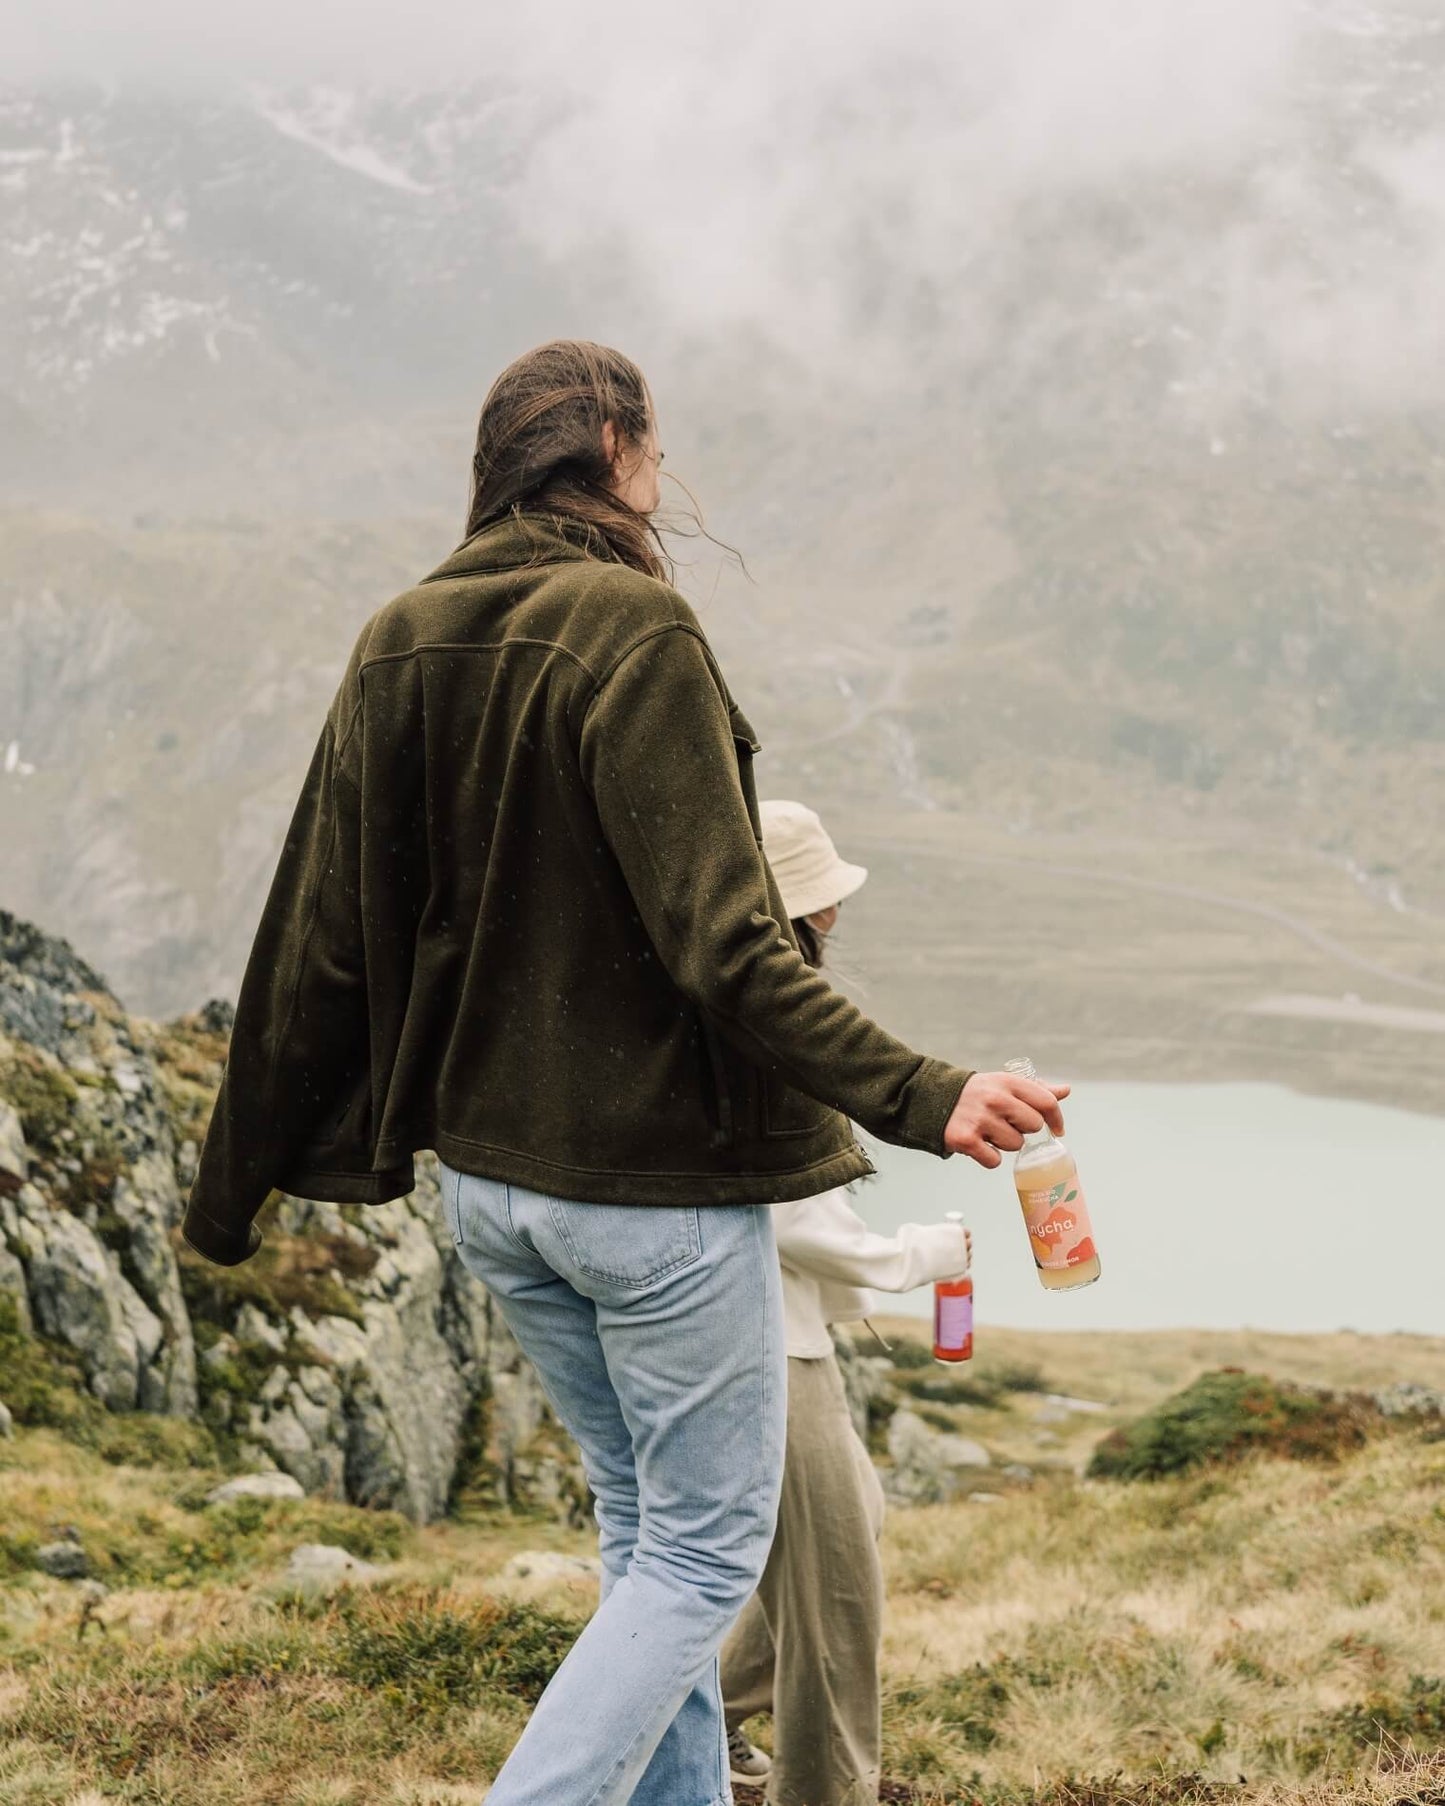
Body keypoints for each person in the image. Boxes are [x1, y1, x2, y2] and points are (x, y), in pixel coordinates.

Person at [181, 339, 1068, 1806]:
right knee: (710, 1551)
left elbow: (318, 936)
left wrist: (227, 1196)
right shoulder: (631, 628)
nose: (667, 477)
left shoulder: (400, 634)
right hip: (645, 1197)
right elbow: (733, 949)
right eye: (655, 447)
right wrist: (932, 1091)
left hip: (492, 1193)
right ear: (609, 442)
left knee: (644, 1534)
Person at [722, 800, 973, 1806]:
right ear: (797, 919)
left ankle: (685, 1711)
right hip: (768, 1347)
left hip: (772, 1338)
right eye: (824, 905)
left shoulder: (738, 1014)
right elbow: (782, 1213)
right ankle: (824, 1794)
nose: (837, 922)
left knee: (849, 1529)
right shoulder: (757, 1034)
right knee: (835, 1601)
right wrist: (919, 1255)